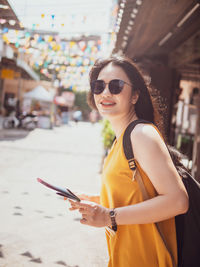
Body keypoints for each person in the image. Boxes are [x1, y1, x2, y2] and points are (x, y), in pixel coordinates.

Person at [68, 55, 189, 267]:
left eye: (116, 86)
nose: (105, 92)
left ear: (134, 95)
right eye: (99, 86)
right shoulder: (121, 140)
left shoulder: (141, 134)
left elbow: (178, 201)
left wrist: (109, 217)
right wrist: (97, 200)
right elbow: (136, 196)